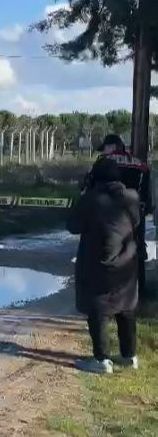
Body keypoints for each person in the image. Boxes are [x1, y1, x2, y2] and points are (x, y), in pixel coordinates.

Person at [68, 157, 140, 374]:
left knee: (98, 308)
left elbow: (72, 226)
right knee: (125, 308)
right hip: (126, 261)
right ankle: (129, 357)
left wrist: (82, 195)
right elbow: (135, 222)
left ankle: (101, 360)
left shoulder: (91, 199)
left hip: (98, 263)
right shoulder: (132, 197)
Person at [83, 133, 152, 301]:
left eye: (105, 148)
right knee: (136, 249)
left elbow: (91, 187)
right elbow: (147, 191)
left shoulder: (104, 163)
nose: (104, 152)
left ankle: (106, 293)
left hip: (107, 213)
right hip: (135, 213)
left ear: (113, 147)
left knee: (104, 251)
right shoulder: (140, 164)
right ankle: (137, 291)